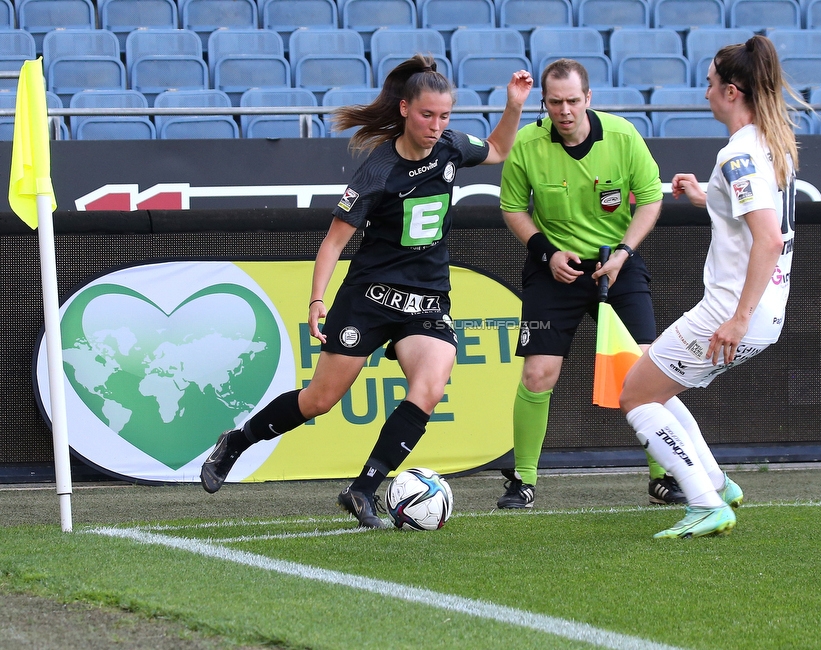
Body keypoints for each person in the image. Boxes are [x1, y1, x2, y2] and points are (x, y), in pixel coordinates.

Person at [200, 55, 534, 528]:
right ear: (403, 109)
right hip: (370, 298)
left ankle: (363, 490)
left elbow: (499, 149)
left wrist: (514, 104)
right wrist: (317, 301)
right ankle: (236, 442)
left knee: (431, 386)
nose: (437, 125)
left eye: (444, 116)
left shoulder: (454, 146)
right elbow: (333, 243)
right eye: (426, 115)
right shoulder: (378, 171)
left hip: (427, 301)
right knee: (319, 399)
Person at [619, 34, 801, 538]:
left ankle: (705, 502)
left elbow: (765, 238)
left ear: (733, 91)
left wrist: (737, 318)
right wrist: (708, 198)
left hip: (733, 311)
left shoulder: (737, 155)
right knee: (658, 383)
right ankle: (717, 484)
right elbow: (753, 220)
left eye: (710, 84)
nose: (705, 94)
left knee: (634, 396)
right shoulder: (772, 141)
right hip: (768, 313)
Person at [495, 58, 671, 509]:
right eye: (555, 102)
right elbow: (513, 208)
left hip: (618, 263)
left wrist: (625, 254)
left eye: (573, 100)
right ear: (545, 103)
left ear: (588, 99)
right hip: (553, 268)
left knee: (646, 370)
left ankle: (663, 476)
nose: (565, 110)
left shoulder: (623, 135)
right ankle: (523, 480)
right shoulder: (527, 144)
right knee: (538, 374)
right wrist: (547, 254)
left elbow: (651, 199)